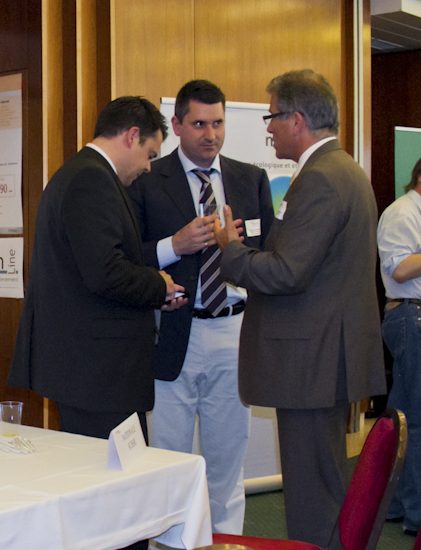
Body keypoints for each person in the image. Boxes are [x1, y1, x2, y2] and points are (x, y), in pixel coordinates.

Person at [212, 69, 385, 550]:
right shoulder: (341, 170)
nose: (267, 127)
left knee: (313, 495)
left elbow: (289, 272)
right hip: (322, 357)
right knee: (325, 484)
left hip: (312, 362)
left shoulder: (322, 178)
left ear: (298, 119)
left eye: (272, 116)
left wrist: (231, 250)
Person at [127, 80, 274, 535]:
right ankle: (170, 541)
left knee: (228, 459)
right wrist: (176, 244)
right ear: (176, 125)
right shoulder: (148, 178)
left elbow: (268, 254)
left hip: (233, 329)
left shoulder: (250, 178)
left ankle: (225, 540)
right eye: (199, 124)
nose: (211, 134)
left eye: (218, 123)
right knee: (168, 457)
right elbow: (127, 258)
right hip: (174, 330)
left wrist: (238, 248)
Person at [8, 96, 186, 442]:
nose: (149, 167)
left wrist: (154, 293)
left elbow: (91, 268)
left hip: (92, 370)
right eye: (150, 154)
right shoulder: (91, 178)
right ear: (131, 136)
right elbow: (106, 272)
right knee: (112, 472)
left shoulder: (84, 173)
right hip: (98, 373)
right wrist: (158, 285)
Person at [378, 151, 421, 535]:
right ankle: (419, 516)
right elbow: (399, 269)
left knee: (404, 417)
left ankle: (393, 504)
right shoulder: (402, 213)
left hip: (420, 318)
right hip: (411, 317)